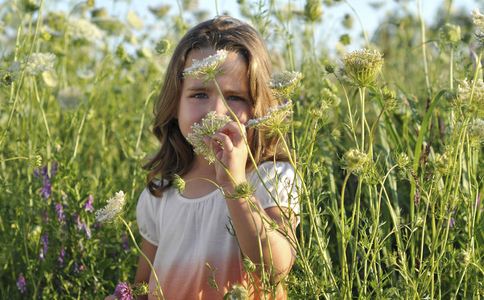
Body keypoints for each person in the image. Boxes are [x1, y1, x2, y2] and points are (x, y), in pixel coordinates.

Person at [108, 15, 300, 300]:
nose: (216, 111)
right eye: (199, 94)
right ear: (174, 105)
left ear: (258, 106)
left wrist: (236, 186)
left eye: (235, 97)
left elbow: (276, 268)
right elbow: (144, 285)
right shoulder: (162, 190)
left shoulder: (269, 177)